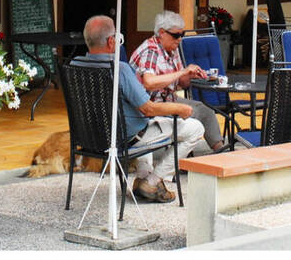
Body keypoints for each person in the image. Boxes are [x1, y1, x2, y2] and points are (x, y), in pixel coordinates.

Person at [71, 15, 204, 204]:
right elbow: (148, 109)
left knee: (144, 123)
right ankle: (152, 181)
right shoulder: (120, 69)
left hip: (90, 138)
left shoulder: (75, 65)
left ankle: (142, 178)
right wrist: (179, 108)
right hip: (124, 139)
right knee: (195, 128)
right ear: (111, 41)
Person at [129, 11, 228, 154]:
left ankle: (220, 152)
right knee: (192, 120)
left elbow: (181, 83)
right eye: (176, 35)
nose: (180, 39)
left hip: (168, 99)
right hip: (149, 106)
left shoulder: (171, 49)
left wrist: (190, 75)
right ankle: (178, 159)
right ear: (162, 33)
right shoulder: (151, 51)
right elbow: (149, 83)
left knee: (205, 111)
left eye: (182, 35)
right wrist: (182, 72)